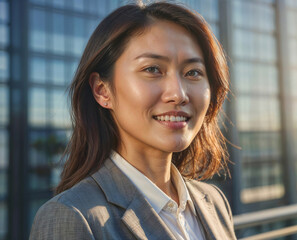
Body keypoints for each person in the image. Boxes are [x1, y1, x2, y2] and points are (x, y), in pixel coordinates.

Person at [29, 1, 236, 239]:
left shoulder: (214, 202)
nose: (178, 94)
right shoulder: (73, 216)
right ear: (102, 90)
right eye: (152, 69)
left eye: (193, 72)